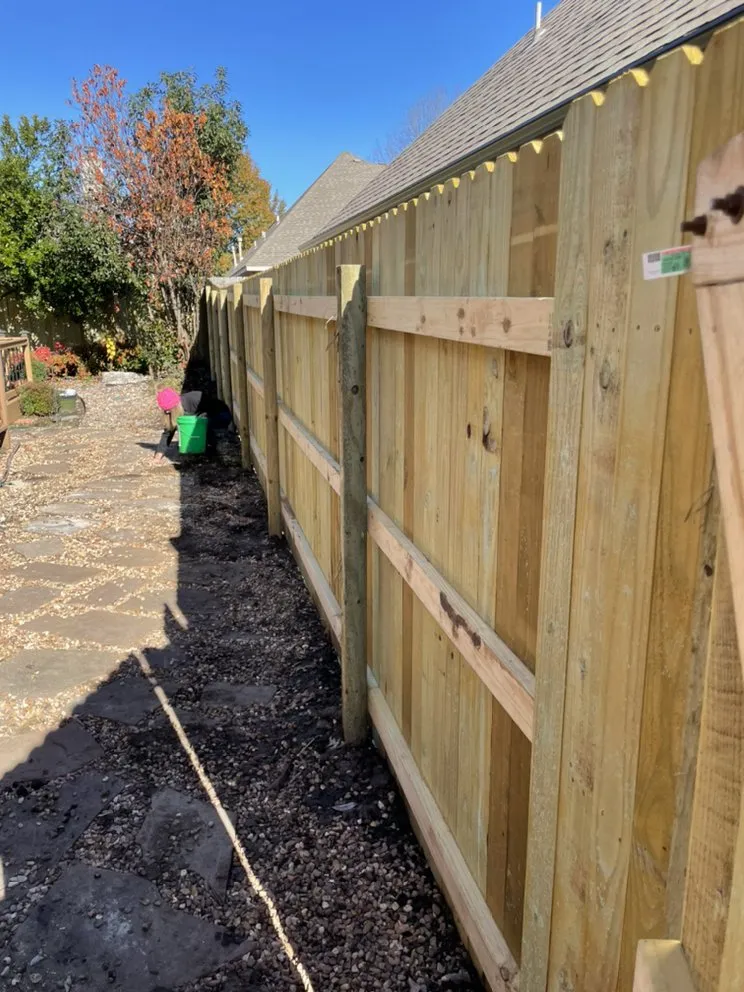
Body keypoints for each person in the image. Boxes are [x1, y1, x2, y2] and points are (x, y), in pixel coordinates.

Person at [154, 387, 232, 461]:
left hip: (221, 415)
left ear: (175, 406)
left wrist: (202, 417)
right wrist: (158, 455)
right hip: (206, 419)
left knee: (205, 428)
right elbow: (168, 432)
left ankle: (215, 449)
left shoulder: (194, 398)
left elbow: (214, 409)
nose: (168, 413)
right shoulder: (173, 410)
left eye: (169, 411)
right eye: (166, 411)